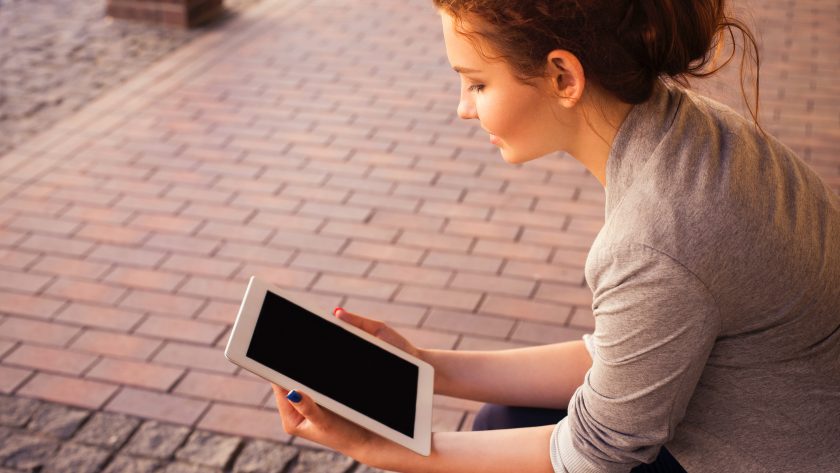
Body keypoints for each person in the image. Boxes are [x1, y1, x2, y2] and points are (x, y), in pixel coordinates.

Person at [270, 1, 840, 472]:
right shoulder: (691, 131)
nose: (463, 108)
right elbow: (626, 352)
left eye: (476, 83)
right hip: (785, 424)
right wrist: (426, 367)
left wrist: (376, 449)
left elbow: (597, 455)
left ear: (564, 77)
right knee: (502, 419)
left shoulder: (655, 238)